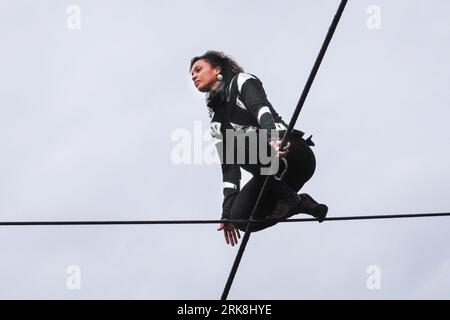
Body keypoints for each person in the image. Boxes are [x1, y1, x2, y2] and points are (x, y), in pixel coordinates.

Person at [190, 51, 328, 246]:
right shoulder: (216, 123)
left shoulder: (241, 81)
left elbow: (259, 107)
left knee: (235, 143)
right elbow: (229, 168)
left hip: (291, 152)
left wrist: (272, 137)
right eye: (192, 74)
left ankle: (289, 198)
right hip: (274, 176)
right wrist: (227, 213)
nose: (194, 76)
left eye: (198, 69)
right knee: (241, 218)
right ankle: (296, 203)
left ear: (217, 69)